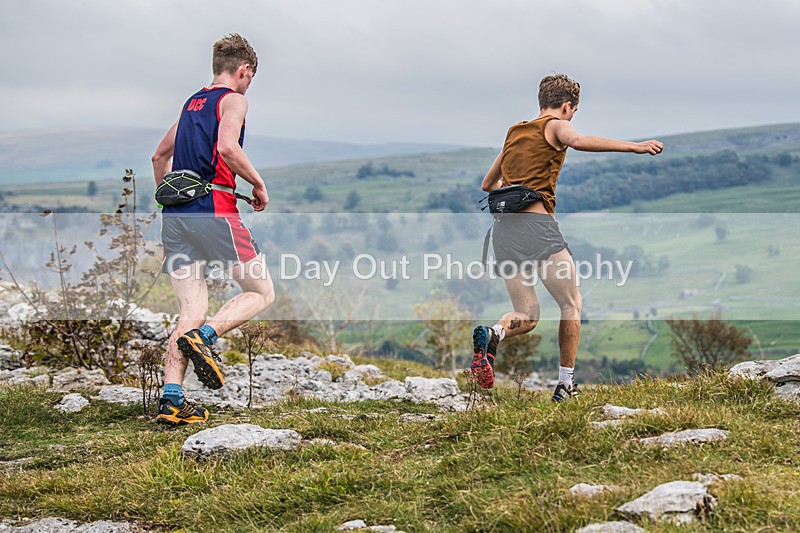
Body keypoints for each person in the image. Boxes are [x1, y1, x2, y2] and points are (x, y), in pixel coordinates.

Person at [471, 74, 663, 401]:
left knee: (527, 315)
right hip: (537, 228)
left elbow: (488, 185)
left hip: (504, 232)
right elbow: (577, 141)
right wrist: (634, 146)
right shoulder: (556, 125)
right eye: (573, 112)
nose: (571, 119)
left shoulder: (514, 132)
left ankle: (494, 333)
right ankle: (565, 385)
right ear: (566, 106)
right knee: (571, 303)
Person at [151, 34, 275, 424]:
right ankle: (205, 337)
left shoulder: (192, 103)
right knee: (261, 291)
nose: (249, 83)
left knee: (191, 307)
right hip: (214, 210)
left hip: (176, 217)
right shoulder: (233, 100)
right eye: (250, 76)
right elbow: (226, 148)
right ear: (244, 70)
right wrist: (256, 183)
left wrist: (172, 195)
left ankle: (172, 400)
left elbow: (159, 155)